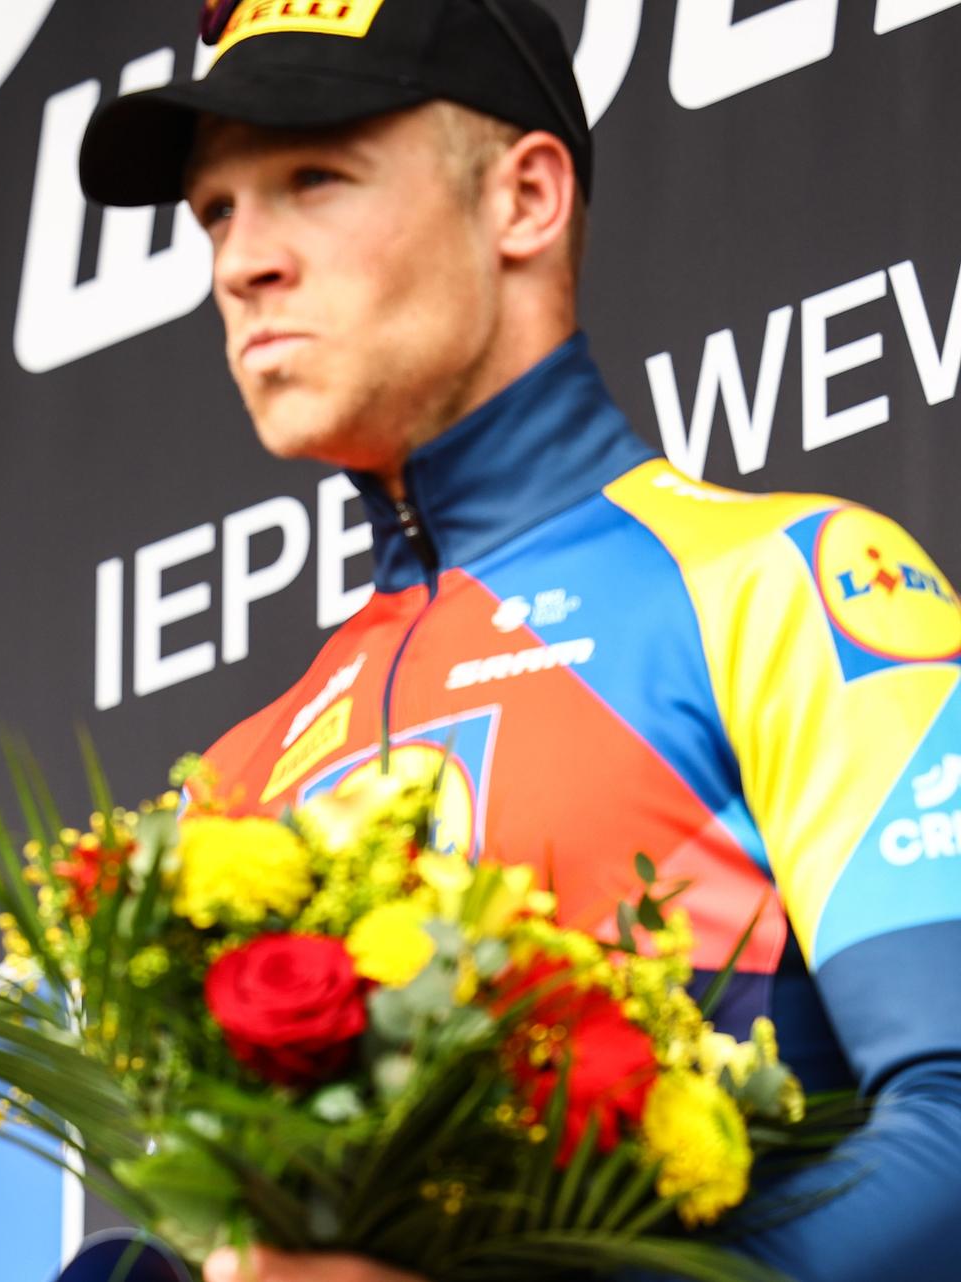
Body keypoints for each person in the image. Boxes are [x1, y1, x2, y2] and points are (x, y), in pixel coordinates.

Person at [77, 2, 961, 1280]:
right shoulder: (230, 783)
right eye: (216, 211)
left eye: (313, 179)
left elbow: (953, 1120)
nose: (242, 261)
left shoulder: (780, 587)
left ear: (525, 200)